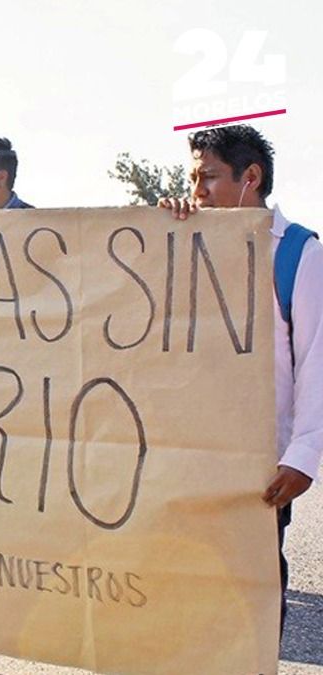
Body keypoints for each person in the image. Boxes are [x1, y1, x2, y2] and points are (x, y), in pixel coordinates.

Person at [158, 124, 323, 637]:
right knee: (184, 589)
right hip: (186, 454)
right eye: (192, 179)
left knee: (250, 592)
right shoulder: (185, 238)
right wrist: (156, 229)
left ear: (250, 176)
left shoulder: (299, 253)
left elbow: (316, 359)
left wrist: (302, 457)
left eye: (208, 178)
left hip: (258, 464)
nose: (197, 192)